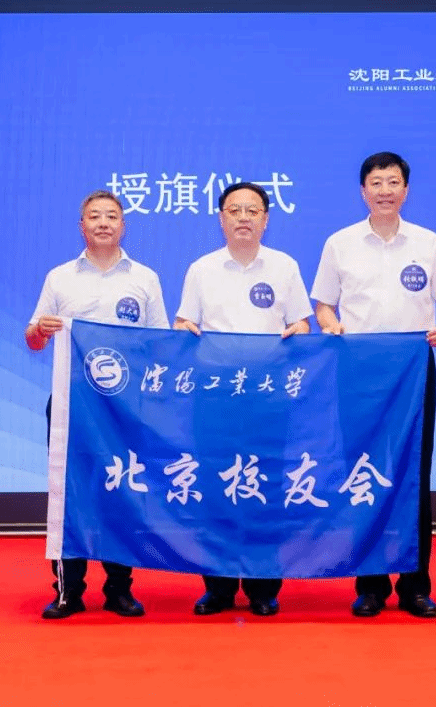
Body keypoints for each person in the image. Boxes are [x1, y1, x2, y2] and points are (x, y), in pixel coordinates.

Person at [311, 152, 436, 619]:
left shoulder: (428, 243)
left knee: (413, 476)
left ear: (406, 190)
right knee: (363, 473)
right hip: (357, 371)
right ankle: (371, 585)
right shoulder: (340, 243)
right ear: (363, 191)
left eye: (393, 182)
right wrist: (330, 325)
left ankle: (415, 586)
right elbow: (323, 305)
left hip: (411, 374)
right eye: (376, 182)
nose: (384, 190)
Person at [26, 189, 170, 619]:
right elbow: (33, 339)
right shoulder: (60, 278)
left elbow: (161, 342)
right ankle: (67, 590)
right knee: (70, 492)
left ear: (123, 225)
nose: (103, 222)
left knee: (124, 490)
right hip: (72, 406)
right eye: (94, 216)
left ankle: (119, 589)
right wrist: (41, 330)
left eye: (111, 216)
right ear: (82, 226)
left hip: (126, 408)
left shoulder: (144, 278)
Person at [175, 182, 312, 617]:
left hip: (268, 397)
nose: (243, 217)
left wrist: (299, 331)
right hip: (216, 396)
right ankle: (217, 586)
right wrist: (183, 331)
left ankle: (262, 586)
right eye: (234, 210)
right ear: (221, 218)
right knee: (215, 485)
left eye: (252, 210)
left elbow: (303, 325)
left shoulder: (285, 267)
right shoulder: (202, 269)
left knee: (264, 485)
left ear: (266, 219)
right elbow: (183, 324)